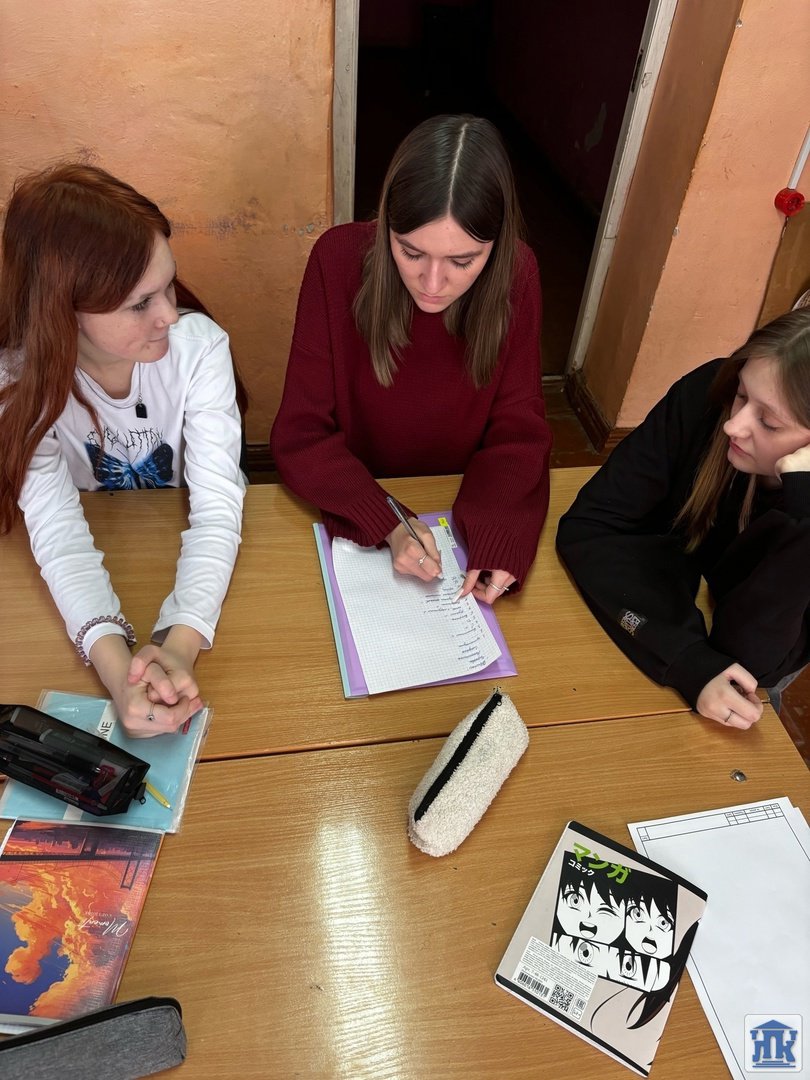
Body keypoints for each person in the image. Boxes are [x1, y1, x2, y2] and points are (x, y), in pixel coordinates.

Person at [0, 163, 246, 737]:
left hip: (168, 534)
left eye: (169, 286)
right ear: (64, 308)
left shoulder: (199, 349)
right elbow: (57, 531)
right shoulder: (19, 381)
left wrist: (179, 644)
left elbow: (217, 506)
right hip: (107, 539)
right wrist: (119, 674)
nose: (169, 314)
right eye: (140, 304)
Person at [270, 114, 551, 602]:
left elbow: (519, 431)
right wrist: (388, 521)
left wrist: (499, 531)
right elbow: (301, 435)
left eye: (462, 261)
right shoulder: (336, 260)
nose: (433, 283)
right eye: (411, 252)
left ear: (496, 245)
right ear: (386, 227)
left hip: (459, 501)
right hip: (355, 495)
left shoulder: (517, 274)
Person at [556, 309, 810, 730]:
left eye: (768, 423)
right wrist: (686, 658)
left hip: (744, 661)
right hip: (671, 620)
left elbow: (751, 663)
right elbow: (590, 526)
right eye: (742, 394)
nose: (733, 426)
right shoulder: (708, 394)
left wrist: (804, 522)